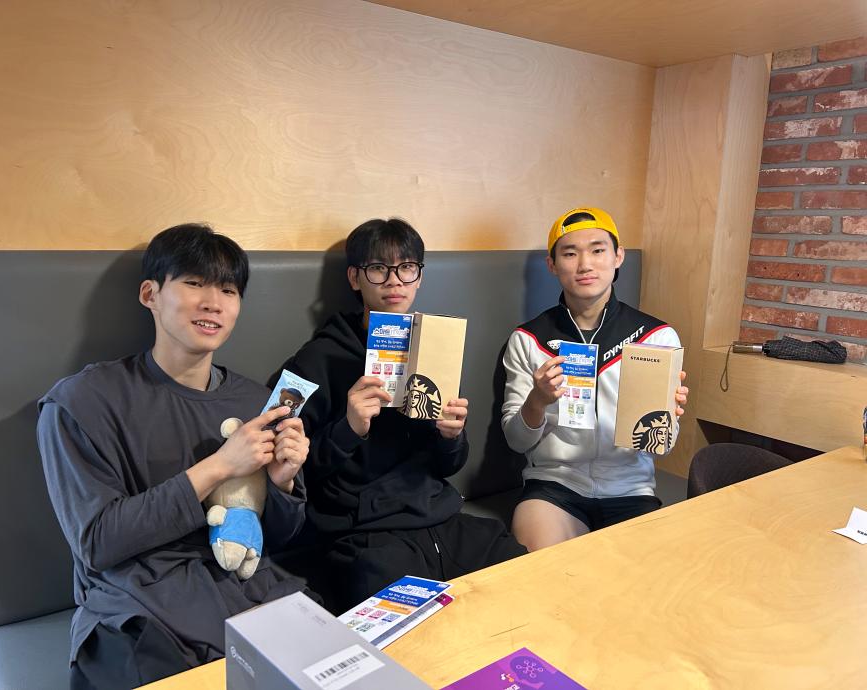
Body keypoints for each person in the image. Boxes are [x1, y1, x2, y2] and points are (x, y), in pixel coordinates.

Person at [38, 224, 311, 689]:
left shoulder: (256, 402)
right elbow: (98, 542)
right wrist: (220, 466)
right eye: (194, 283)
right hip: (138, 608)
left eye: (228, 290)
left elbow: (278, 539)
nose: (213, 303)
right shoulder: (82, 402)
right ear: (151, 294)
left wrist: (283, 482)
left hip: (248, 592)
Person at [278, 217, 526, 612]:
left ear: (419, 277)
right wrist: (348, 428)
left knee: (528, 587)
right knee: (412, 631)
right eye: (379, 268)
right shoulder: (317, 360)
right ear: (355, 278)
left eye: (407, 268)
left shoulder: (432, 346)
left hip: (444, 518)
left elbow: (448, 466)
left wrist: (451, 437)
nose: (395, 281)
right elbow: (287, 466)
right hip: (368, 535)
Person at [501, 207, 690, 552]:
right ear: (552, 264)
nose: (585, 264)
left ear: (618, 257)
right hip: (554, 486)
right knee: (540, 562)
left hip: (630, 489)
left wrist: (664, 421)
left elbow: (663, 447)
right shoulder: (529, 339)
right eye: (570, 253)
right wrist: (537, 401)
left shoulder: (655, 337)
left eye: (598, 250)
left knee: (646, 571)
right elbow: (516, 441)